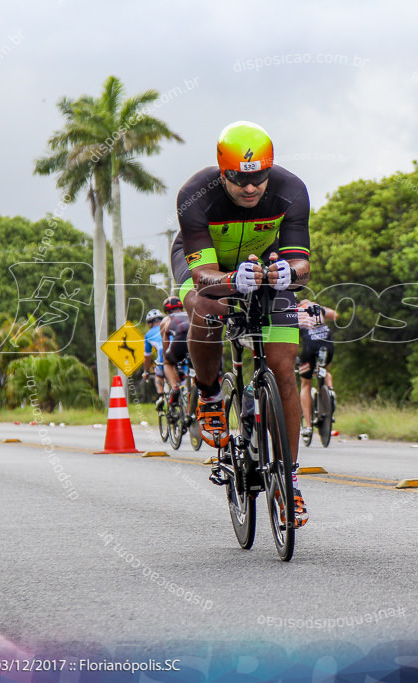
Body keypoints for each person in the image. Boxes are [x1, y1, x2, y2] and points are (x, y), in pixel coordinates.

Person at [171, 120, 311, 527]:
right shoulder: (195, 196)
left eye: (258, 178)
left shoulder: (291, 190)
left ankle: (289, 482)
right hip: (208, 268)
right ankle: (210, 393)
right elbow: (203, 278)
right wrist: (232, 281)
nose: (250, 189)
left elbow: (301, 260)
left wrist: (289, 273)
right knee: (206, 307)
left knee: (284, 368)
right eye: (238, 179)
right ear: (222, 170)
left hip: (261, 267)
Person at [296, 299, 338, 441]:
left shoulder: (292, 312)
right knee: (324, 371)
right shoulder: (314, 306)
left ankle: (308, 426)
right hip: (327, 343)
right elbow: (334, 315)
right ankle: (329, 393)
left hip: (309, 346)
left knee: (306, 384)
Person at [159, 296, 190, 405]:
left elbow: (165, 343)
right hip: (196, 341)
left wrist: (166, 357)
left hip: (180, 340)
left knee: (167, 362)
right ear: (181, 308)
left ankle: (174, 387)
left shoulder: (166, 320)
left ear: (166, 311)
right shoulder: (190, 314)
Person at [141, 309, 166, 403]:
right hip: (180, 354)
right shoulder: (170, 325)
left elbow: (148, 357)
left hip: (164, 358)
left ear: (150, 324)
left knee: (158, 376)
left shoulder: (148, 335)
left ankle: (160, 398)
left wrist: (146, 372)